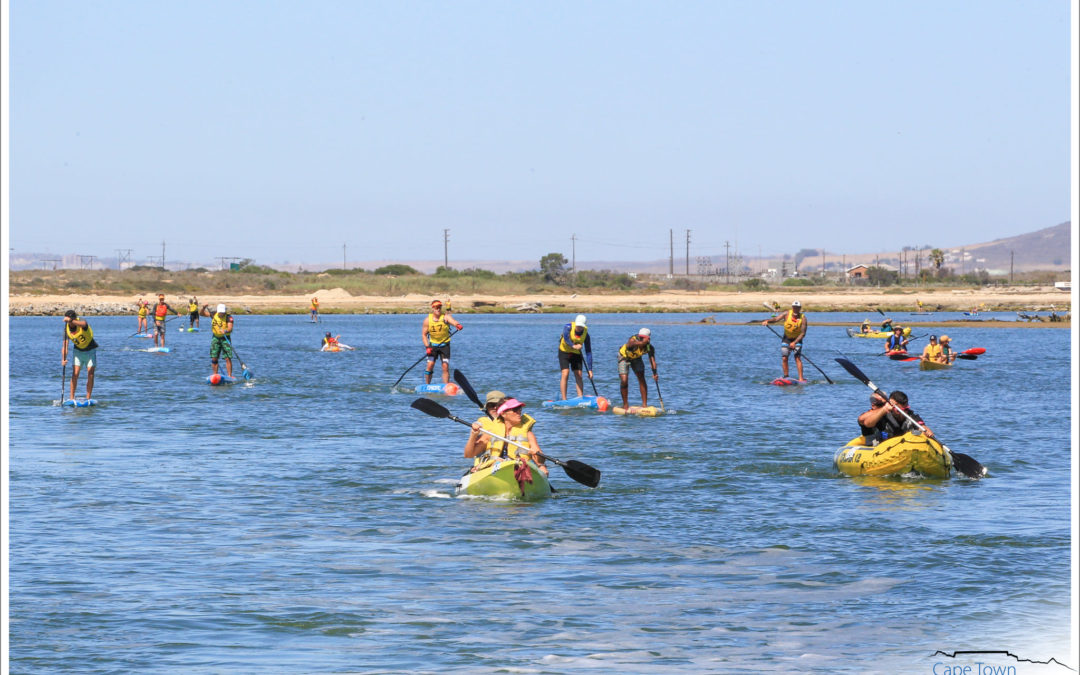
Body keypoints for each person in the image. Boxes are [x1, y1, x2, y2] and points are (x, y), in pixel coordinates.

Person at [857, 390, 933, 445]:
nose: (904, 413)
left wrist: (926, 431)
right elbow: (867, 423)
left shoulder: (911, 416)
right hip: (880, 449)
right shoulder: (882, 415)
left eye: (906, 409)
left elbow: (922, 426)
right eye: (900, 410)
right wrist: (884, 409)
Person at [762, 300, 807, 381]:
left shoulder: (803, 318)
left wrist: (794, 342)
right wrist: (767, 321)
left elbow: (803, 334)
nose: (796, 309)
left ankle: (801, 378)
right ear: (792, 308)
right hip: (786, 338)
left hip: (797, 339)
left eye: (797, 308)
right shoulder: (787, 314)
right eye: (794, 307)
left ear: (800, 308)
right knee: (784, 358)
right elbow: (776, 319)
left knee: (797, 358)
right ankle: (786, 377)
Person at [421, 299, 463, 384]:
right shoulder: (427, 320)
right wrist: (427, 347)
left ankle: (446, 385)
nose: (438, 309)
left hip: (445, 345)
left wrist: (457, 325)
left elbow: (453, 321)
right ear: (433, 308)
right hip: (433, 346)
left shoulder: (445, 317)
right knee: (430, 365)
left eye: (439, 307)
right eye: (436, 307)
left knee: (445, 366)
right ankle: (427, 385)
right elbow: (424, 335)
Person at [61, 310, 99, 402]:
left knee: (90, 374)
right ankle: (71, 398)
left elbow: (84, 323)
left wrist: (71, 320)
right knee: (75, 374)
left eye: (70, 321)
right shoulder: (66, 329)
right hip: (78, 352)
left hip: (90, 351)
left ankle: (88, 398)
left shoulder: (81, 323)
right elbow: (65, 346)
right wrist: (63, 359)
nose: (69, 323)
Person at [617, 328, 657, 409]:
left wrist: (655, 373)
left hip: (636, 358)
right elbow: (631, 345)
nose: (642, 339)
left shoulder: (649, 347)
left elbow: (652, 361)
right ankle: (625, 405)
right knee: (624, 380)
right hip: (624, 357)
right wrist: (643, 342)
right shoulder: (632, 340)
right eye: (640, 337)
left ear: (648, 339)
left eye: (644, 338)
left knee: (641, 377)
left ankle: (644, 405)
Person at [558, 314, 593, 399]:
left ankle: (580, 398)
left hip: (576, 354)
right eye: (578, 325)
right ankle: (564, 399)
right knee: (565, 373)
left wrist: (590, 369)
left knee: (579, 374)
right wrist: (574, 346)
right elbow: (566, 338)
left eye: (581, 326)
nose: (579, 328)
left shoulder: (586, 335)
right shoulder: (568, 327)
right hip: (564, 352)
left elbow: (588, 352)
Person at [200, 303, 235, 377]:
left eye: (223, 312)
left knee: (227, 358)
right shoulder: (213, 314)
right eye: (220, 312)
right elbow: (202, 314)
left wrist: (225, 331)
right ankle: (215, 375)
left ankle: (229, 375)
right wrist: (203, 308)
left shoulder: (229, 317)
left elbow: (230, 328)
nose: (221, 313)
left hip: (225, 338)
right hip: (215, 338)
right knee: (214, 357)